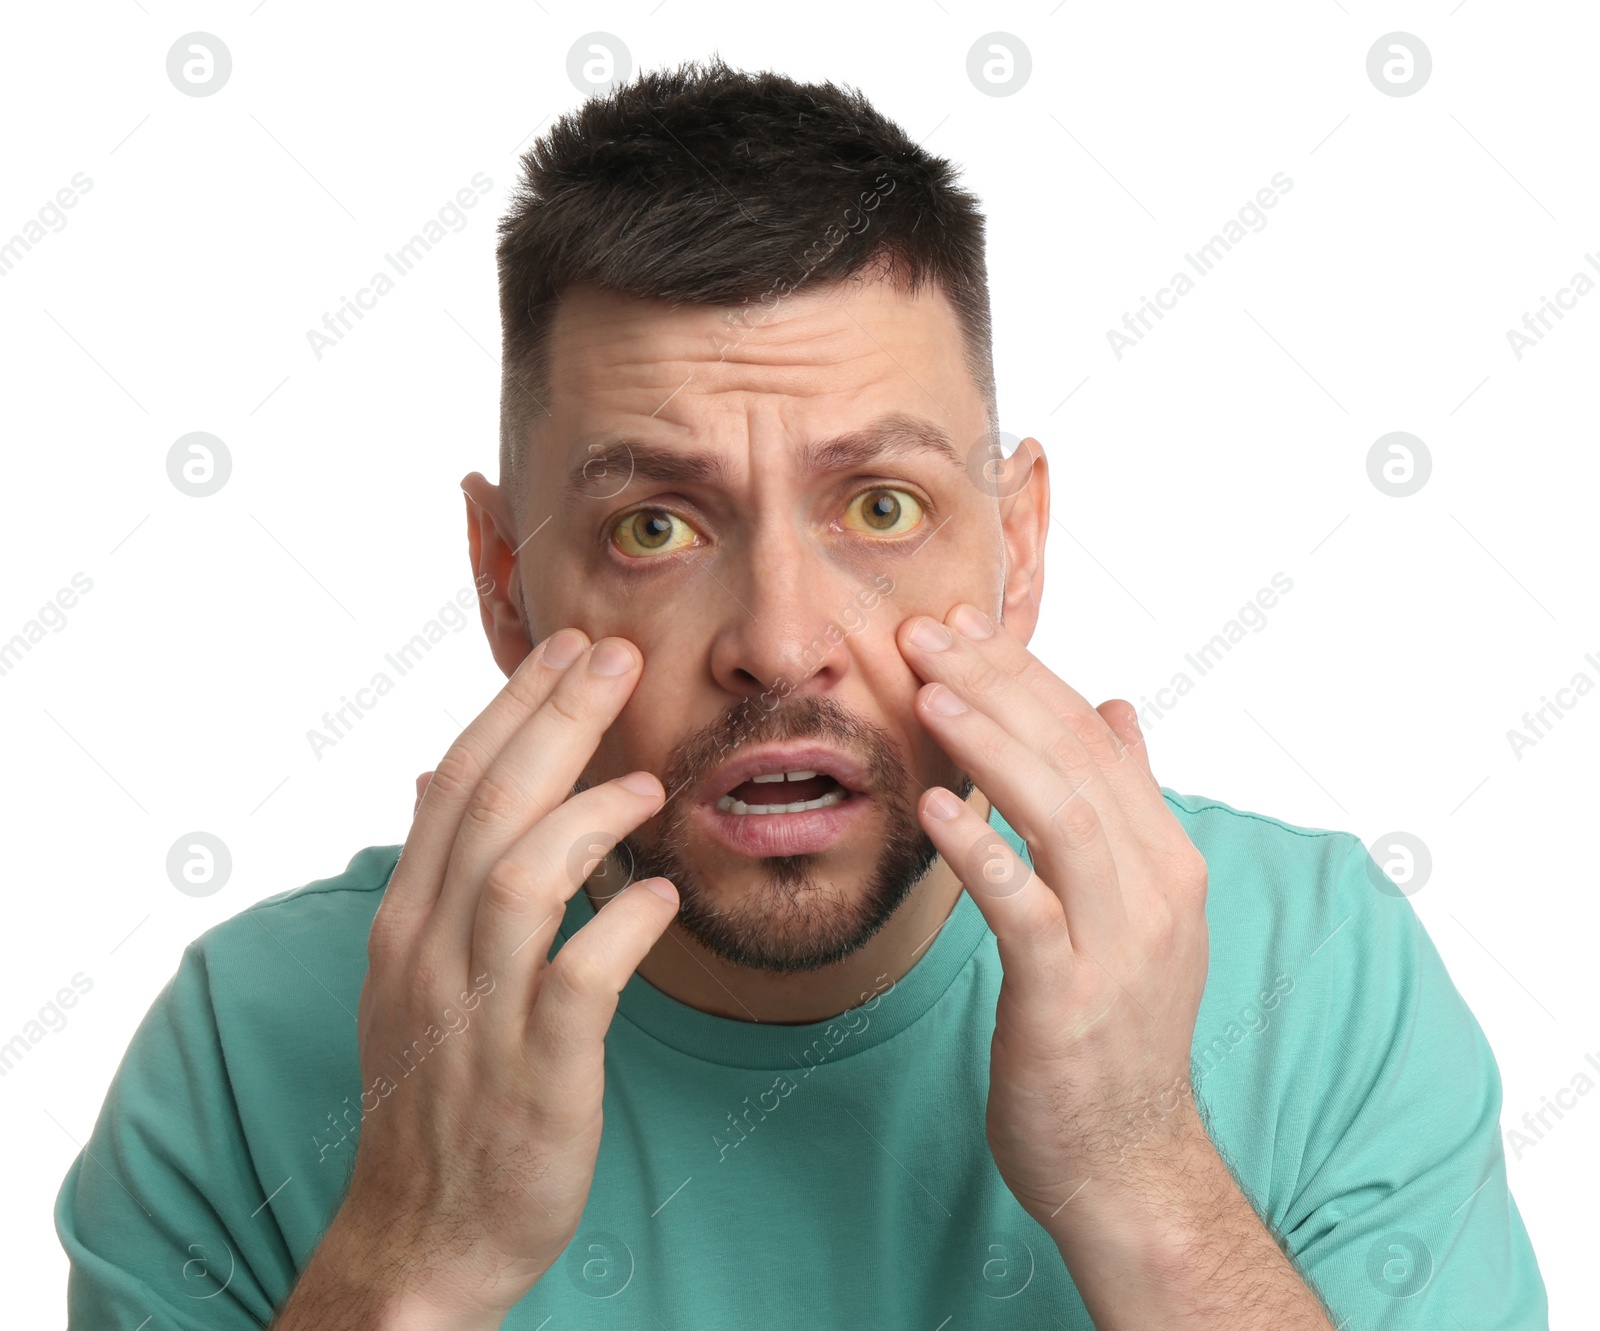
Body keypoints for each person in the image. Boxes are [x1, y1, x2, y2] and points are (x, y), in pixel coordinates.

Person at [56, 57, 1548, 1329]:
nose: (780, 642)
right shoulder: (251, 1049)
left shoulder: (1322, 968)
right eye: (656, 525)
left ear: (1016, 549)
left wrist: (1142, 1176)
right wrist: (412, 1262)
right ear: (506, 584)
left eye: (881, 510)